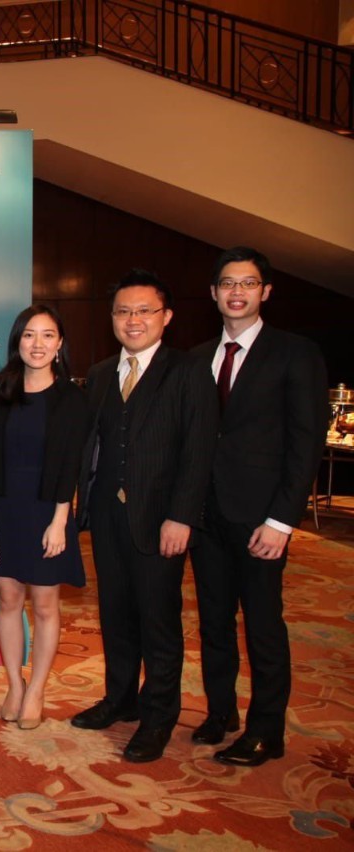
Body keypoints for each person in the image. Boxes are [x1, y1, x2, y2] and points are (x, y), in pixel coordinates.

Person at [72, 269, 217, 763]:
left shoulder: (189, 370)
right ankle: (120, 700)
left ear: (166, 317)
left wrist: (183, 517)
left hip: (162, 522)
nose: (133, 320)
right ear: (112, 317)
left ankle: (159, 717)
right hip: (108, 520)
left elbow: (198, 452)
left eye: (144, 311)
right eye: (123, 311)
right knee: (114, 614)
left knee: (159, 621)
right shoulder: (98, 373)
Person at [189, 246, 327, 766]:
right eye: (227, 283)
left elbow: (305, 442)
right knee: (214, 622)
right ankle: (220, 711)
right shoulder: (199, 355)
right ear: (214, 293)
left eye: (247, 283)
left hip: (262, 519)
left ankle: (267, 729)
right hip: (207, 516)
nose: (237, 292)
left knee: (263, 625)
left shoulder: (295, 353)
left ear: (265, 292)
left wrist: (281, 520)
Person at [0, 305, 90, 731]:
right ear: (17, 341)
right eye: (29, 335)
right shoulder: (0, 390)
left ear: (60, 344)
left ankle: (38, 689)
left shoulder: (72, 399)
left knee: (45, 605)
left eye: (47, 336)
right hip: (3, 508)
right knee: (7, 600)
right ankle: (13, 684)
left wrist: (62, 520)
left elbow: (72, 465)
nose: (38, 344)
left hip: (48, 510)